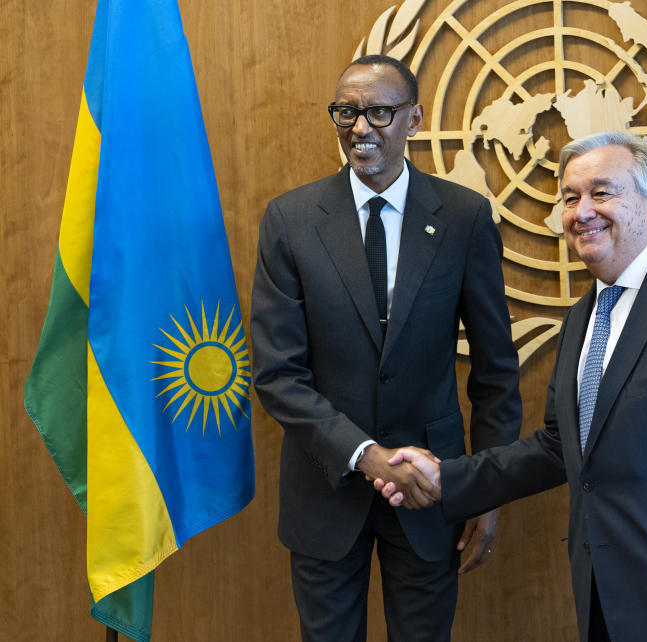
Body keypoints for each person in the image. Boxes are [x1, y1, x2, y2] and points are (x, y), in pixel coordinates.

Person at [377, 131, 647, 641]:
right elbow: (562, 447)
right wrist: (447, 477)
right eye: (570, 197)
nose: (582, 212)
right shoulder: (583, 316)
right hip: (603, 596)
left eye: (602, 193)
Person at [250, 54, 522, 642]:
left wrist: (486, 490)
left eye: (378, 111)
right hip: (326, 490)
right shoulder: (291, 220)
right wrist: (364, 454)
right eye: (346, 112)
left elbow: (496, 372)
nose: (359, 127)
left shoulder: (464, 218)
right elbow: (277, 374)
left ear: (415, 118)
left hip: (431, 492)